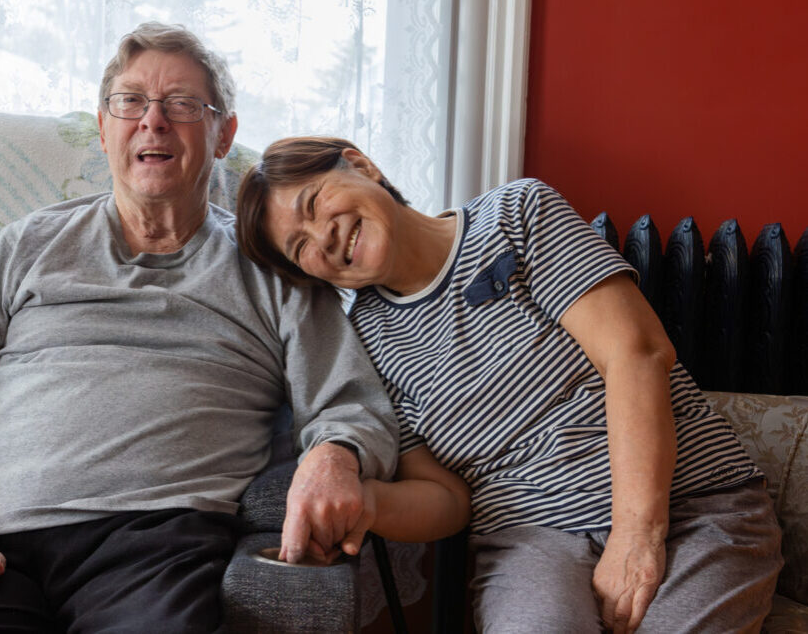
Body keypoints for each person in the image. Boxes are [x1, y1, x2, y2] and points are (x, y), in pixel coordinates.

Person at [0, 24, 416, 633]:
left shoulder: (274, 269)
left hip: (158, 547)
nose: (152, 121)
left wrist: (335, 455)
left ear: (223, 135)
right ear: (103, 128)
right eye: (130, 102)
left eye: (183, 105)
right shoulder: (28, 245)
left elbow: (352, 405)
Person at [234, 136, 785, 634]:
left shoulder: (516, 214)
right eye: (300, 247)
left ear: (361, 165)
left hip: (690, 505)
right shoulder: (367, 340)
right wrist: (370, 504)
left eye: (314, 204)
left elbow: (635, 354)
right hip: (531, 541)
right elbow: (448, 500)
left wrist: (634, 536)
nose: (322, 239)